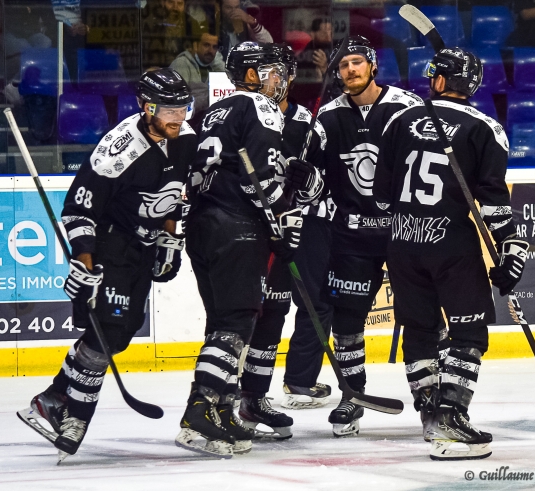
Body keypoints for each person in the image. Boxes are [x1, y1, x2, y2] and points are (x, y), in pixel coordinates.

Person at [17, 68, 197, 463]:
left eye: (182, 107)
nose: (177, 116)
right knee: (106, 333)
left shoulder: (184, 138)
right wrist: (85, 265)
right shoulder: (116, 151)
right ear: (146, 106)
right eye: (167, 109)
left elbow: (174, 194)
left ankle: (51, 398)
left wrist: (169, 236)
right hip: (111, 248)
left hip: (144, 249)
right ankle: (74, 416)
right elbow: (78, 210)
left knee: (123, 333)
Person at [374, 48, 528, 461]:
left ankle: (429, 412)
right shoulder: (484, 127)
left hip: (402, 243)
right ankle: (450, 415)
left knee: (421, 330)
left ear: (438, 80)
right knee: (470, 333)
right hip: (451, 246)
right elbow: (492, 200)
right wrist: (511, 246)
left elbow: (381, 192)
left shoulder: (400, 119)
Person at [177, 41, 316, 458]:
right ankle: (198, 411)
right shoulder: (261, 107)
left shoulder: (213, 111)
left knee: (222, 321)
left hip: (202, 226)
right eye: (273, 71)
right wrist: (280, 220)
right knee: (237, 321)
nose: (281, 79)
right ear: (253, 75)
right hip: (235, 227)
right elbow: (261, 180)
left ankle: (218, 407)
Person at [300, 35, 425, 438]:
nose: (350, 70)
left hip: (405, 234)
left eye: (357, 62)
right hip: (351, 238)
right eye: (342, 66)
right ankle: (352, 395)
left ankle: (433, 396)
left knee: (422, 318)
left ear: (372, 66)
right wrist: (304, 176)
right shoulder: (328, 117)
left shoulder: (407, 108)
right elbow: (312, 180)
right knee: (348, 322)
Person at [236, 46, 328, 438]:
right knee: (241, 318)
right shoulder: (242, 114)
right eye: (263, 72)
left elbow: (321, 187)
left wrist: (309, 184)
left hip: (286, 235)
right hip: (244, 234)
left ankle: (254, 398)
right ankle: (228, 400)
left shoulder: (307, 125)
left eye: (276, 73)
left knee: (273, 314)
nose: (269, 80)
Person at [169, 30, 225, 112]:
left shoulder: (213, 66)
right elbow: (177, 103)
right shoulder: (181, 64)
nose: (210, 51)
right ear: (195, 46)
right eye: (206, 45)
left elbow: (231, 85)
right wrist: (209, 99)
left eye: (214, 47)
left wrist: (219, 64)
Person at [295, 18, 333, 82]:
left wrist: (325, 68)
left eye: (331, 33)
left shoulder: (336, 49)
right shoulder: (306, 54)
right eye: (324, 33)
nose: (328, 37)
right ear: (313, 34)